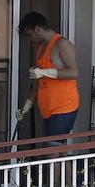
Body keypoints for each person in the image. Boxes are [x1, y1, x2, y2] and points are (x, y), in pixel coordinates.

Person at [16, 12, 80, 140]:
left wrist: (44, 72)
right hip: (48, 108)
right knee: (59, 150)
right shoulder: (41, 48)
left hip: (63, 107)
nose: (30, 40)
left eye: (30, 35)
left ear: (38, 29)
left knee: (53, 149)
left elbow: (74, 72)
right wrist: (28, 103)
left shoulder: (62, 44)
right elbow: (37, 79)